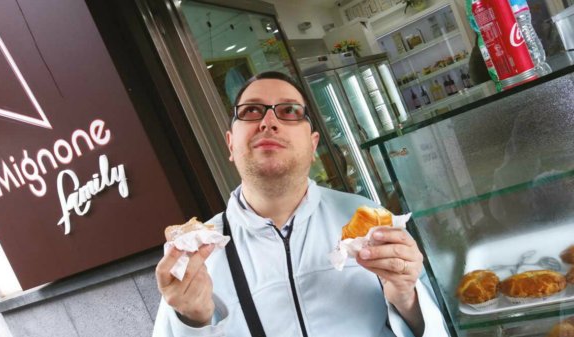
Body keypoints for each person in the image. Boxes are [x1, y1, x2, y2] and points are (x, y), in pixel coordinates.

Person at [153, 71, 449, 337]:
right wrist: (191, 321)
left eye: (289, 111)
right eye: (252, 110)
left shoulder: (368, 221)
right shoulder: (197, 258)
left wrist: (406, 297)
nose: (268, 122)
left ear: (313, 144)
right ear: (231, 145)